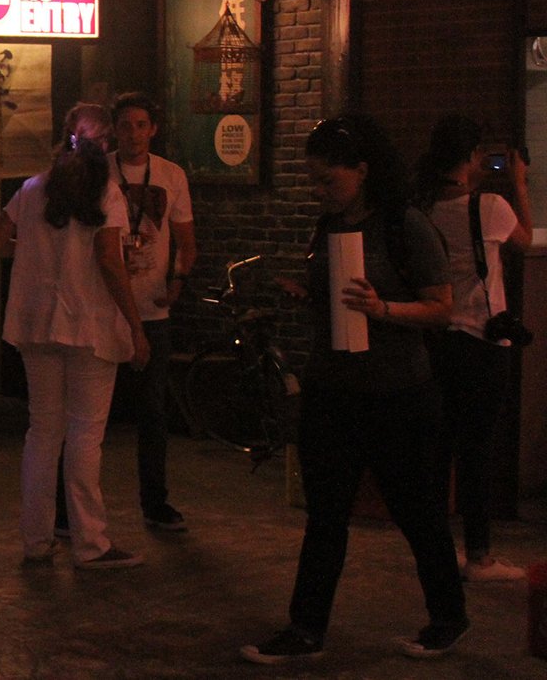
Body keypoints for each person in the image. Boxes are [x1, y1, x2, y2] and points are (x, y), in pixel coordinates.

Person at [242, 115, 466, 665]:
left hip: (399, 394)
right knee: (325, 516)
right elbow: (334, 299)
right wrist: (307, 294)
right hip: (333, 390)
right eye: (313, 180)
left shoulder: (404, 225)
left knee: (417, 513)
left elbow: (442, 309)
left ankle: (448, 618)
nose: (320, 191)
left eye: (328, 180)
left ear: (362, 170)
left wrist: (381, 308)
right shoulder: (327, 228)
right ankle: (306, 629)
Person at [0, 102, 150, 570]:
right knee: (85, 435)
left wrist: (34, 250)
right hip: (89, 325)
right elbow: (109, 262)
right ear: (106, 144)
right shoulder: (106, 192)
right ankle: (91, 544)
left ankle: (36, 540)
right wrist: (136, 327)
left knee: (43, 432)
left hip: (35, 324)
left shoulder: (33, 188)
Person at [415, 115, 533, 582]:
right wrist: (518, 182)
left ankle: (433, 552)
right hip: (481, 342)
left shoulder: (422, 207)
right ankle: (479, 556)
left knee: (437, 450)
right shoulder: (491, 206)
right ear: (469, 157)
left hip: (435, 340)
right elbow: (524, 240)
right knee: (476, 452)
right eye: (481, 154)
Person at [108, 92, 196, 531]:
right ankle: (70, 510)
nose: (134, 134)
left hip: (152, 310)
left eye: (141, 125)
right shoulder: (100, 172)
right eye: (126, 125)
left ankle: (155, 502)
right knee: (89, 414)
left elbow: (187, 241)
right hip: (105, 308)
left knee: (153, 413)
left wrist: (177, 281)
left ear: (153, 129)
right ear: (114, 130)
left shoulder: (171, 175)